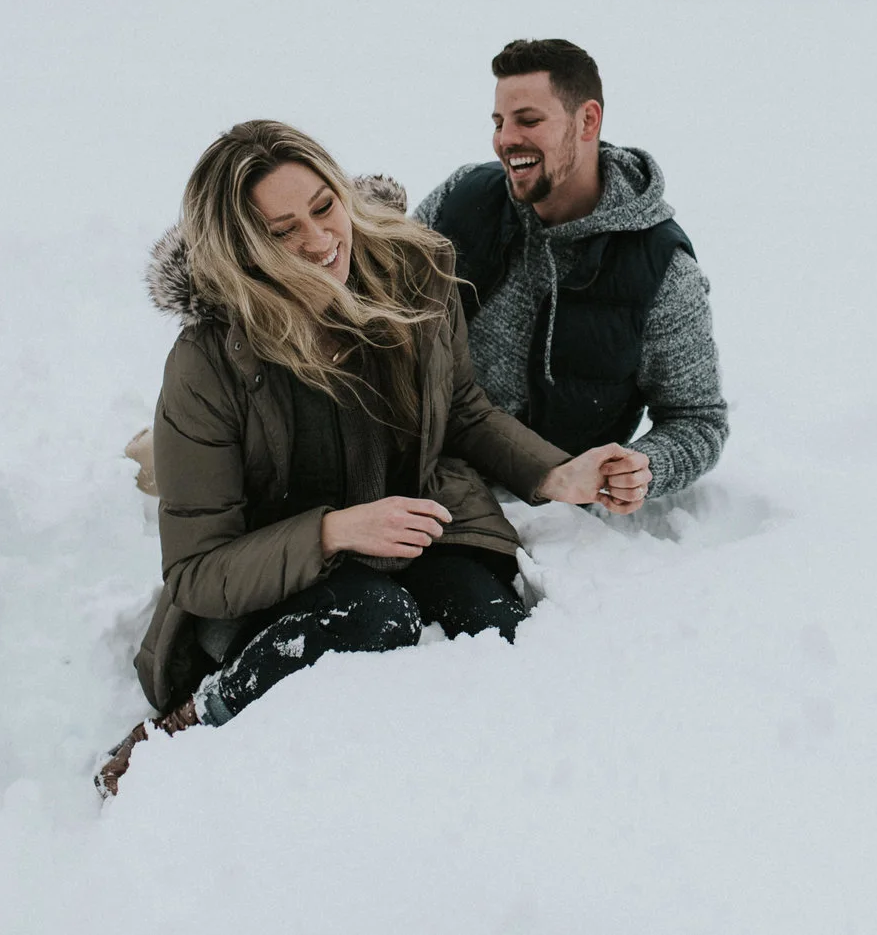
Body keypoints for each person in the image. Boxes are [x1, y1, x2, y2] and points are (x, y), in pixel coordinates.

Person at [102, 120, 645, 795]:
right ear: (244, 252)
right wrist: (334, 530)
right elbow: (197, 571)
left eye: (324, 205)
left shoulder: (414, 274)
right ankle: (194, 720)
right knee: (374, 616)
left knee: (496, 624)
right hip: (274, 568)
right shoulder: (208, 362)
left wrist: (554, 471)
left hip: (411, 523)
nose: (321, 239)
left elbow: (463, 407)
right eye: (281, 231)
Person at [415, 39, 726, 512]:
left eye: (529, 120)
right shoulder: (463, 197)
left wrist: (642, 467)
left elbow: (697, 419)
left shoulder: (661, 269)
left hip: (541, 512)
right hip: (415, 468)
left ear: (588, 120)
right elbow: (380, 300)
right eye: (499, 123)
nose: (506, 139)